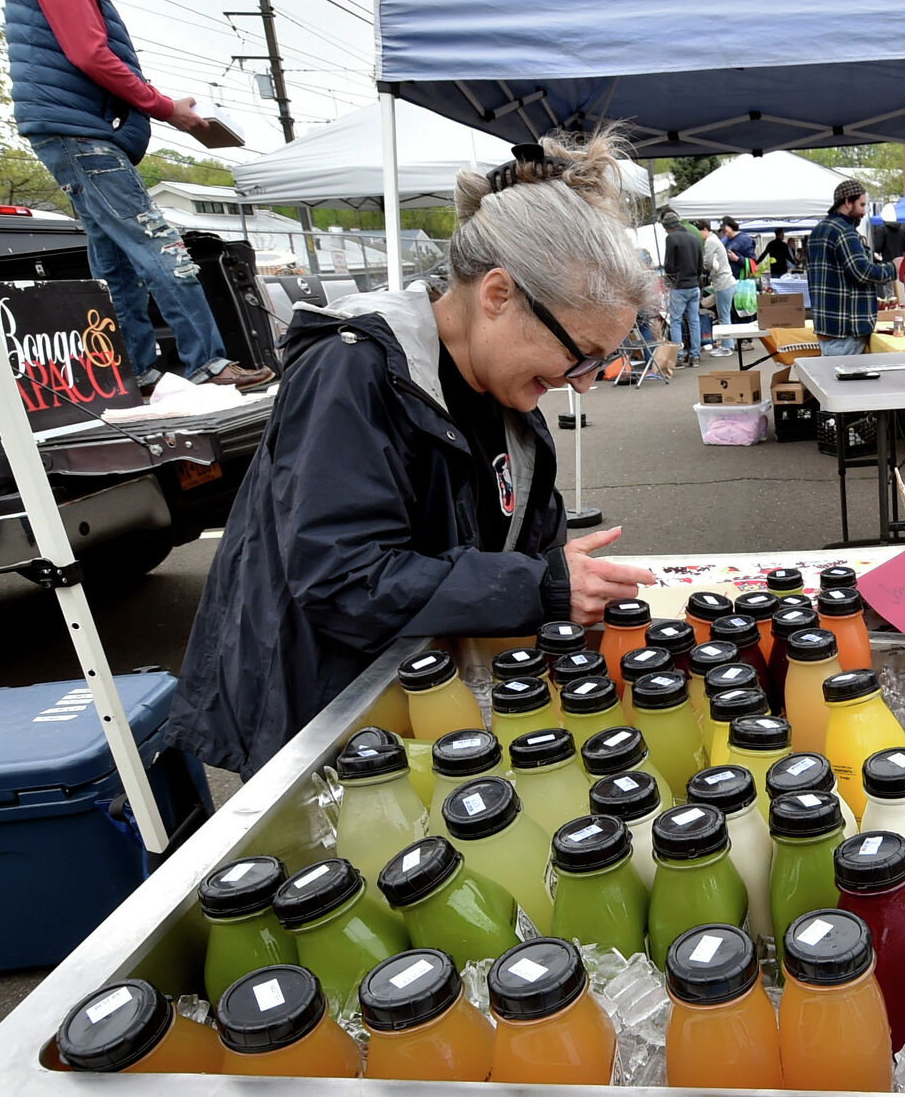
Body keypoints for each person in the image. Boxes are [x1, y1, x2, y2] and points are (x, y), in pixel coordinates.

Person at [166, 133, 660, 778]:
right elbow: (343, 576)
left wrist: (557, 580)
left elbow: (528, 548)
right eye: (581, 353)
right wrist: (542, 584)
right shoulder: (353, 369)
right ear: (498, 295)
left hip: (431, 694)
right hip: (327, 708)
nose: (588, 381)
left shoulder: (503, 391)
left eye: (604, 361)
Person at [4, 0, 271, 392]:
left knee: (114, 259)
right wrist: (166, 108)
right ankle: (207, 365)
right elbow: (91, 55)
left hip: (71, 131)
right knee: (160, 243)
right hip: (81, 135)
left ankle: (136, 370)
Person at [807, 179, 897, 355]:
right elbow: (862, 272)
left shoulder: (819, 230)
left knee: (832, 380)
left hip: (829, 326)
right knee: (846, 381)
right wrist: (894, 267)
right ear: (848, 201)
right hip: (846, 329)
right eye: (862, 204)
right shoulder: (844, 232)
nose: (864, 211)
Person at [661, 208, 703, 364]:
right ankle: (695, 355)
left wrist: (670, 279)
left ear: (668, 227)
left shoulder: (671, 239)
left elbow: (669, 265)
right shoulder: (694, 238)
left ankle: (678, 356)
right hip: (694, 285)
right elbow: (700, 265)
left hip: (679, 286)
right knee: (694, 321)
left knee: (676, 321)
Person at [701, 220, 738, 343]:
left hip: (723, 283)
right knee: (725, 315)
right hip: (727, 282)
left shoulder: (710, 242)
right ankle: (729, 344)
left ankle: (727, 346)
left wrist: (703, 263)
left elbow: (709, 263)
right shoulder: (715, 240)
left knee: (724, 316)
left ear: (705, 230)